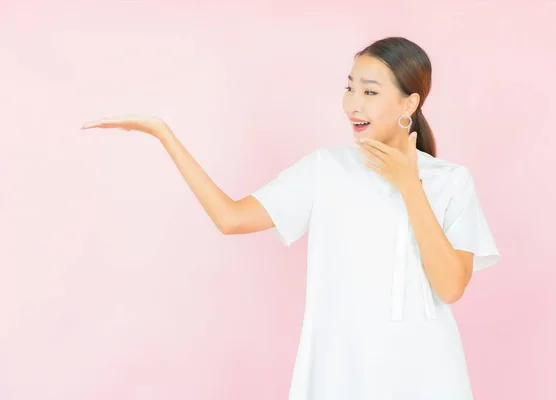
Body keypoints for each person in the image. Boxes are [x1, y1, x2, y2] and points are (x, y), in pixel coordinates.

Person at [81, 36, 500, 400]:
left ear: (410, 102)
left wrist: (409, 184)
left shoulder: (450, 182)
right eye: (350, 88)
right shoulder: (325, 169)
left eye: (370, 92)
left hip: (424, 375)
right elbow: (230, 218)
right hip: (339, 373)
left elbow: (451, 286)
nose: (353, 104)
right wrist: (163, 134)